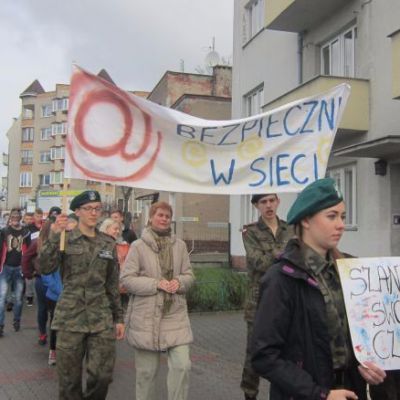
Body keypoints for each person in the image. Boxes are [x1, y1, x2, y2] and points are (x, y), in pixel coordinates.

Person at [251, 178, 387, 400]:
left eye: (342, 216)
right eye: (331, 216)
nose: (341, 224)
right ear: (306, 220)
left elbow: (358, 334)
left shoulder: (351, 271)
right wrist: (320, 394)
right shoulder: (281, 279)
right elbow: (264, 356)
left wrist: (366, 364)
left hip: (351, 391)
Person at [38, 190, 124, 399]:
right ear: (77, 211)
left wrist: (118, 318)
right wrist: (54, 236)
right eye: (88, 209)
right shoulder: (65, 239)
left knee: (102, 376)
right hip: (70, 318)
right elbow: (45, 267)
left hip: (100, 318)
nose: (94, 213)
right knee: (69, 381)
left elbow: (112, 284)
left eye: (97, 209)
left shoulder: (108, 243)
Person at [120, 201, 194, 400]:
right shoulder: (138, 246)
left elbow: (189, 275)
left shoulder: (180, 246)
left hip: (174, 314)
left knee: (182, 366)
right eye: (160, 215)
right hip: (146, 317)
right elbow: (126, 280)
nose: (164, 219)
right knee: (146, 374)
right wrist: (156, 284)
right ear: (151, 217)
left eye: (167, 216)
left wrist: (179, 283)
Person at [241, 193, 293, 400]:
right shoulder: (250, 231)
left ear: (278, 201)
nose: (269, 205)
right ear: (256, 205)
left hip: (286, 300)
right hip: (259, 302)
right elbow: (258, 263)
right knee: (254, 352)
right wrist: (282, 253)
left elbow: (297, 258)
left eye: (272, 200)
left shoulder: (291, 228)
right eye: (263, 202)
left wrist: (276, 254)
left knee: (286, 351)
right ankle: (250, 394)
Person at [0, 208, 30, 336]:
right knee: (1, 298)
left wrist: (28, 268)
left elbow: (29, 251)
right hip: (6, 267)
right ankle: (0, 325)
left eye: (17, 217)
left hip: (19, 269)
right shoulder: (3, 232)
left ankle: (16, 321)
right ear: (9, 218)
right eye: (12, 217)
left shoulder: (26, 232)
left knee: (18, 299)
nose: (14, 219)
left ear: (20, 218)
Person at [24, 208, 44, 306]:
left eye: (41, 216)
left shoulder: (44, 226)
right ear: (34, 216)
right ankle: (29, 296)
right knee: (29, 278)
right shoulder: (29, 227)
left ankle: (40, 295)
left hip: (41, 255)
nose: (39, 218)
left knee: (40, 275)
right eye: (37, 216)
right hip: (31, 253)